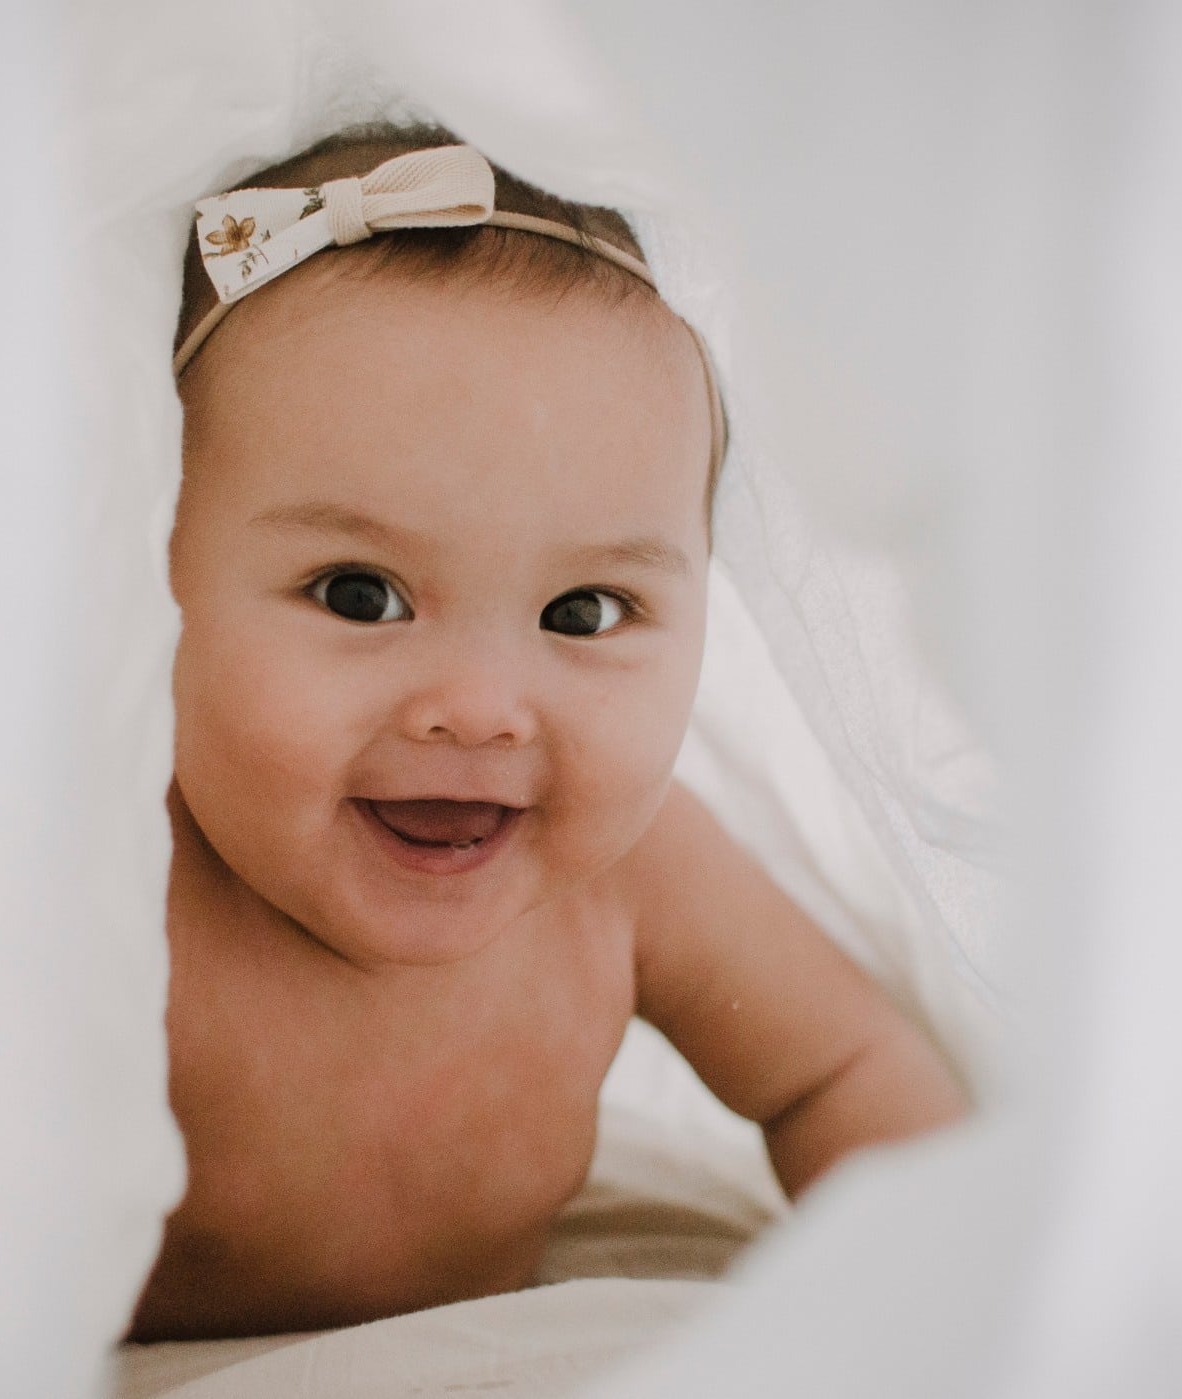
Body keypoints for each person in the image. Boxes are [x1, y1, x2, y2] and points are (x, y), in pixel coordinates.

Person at [129, 125, 965, 1343]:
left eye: (584, 612)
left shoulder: (641, 876)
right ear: (153, 580)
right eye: (362, 594)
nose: (477, 708)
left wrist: (935, 1307)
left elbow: (846, 1065)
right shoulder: (116, 879)